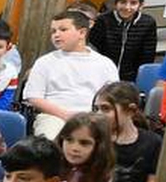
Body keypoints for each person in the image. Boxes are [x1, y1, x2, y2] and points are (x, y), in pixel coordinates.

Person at [21, 8, 117, 138]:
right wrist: (65, 115)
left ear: (82, 33)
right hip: (53, 116)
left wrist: (92, 116)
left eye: (63, 29)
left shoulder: (105, 63)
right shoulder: (44, 62)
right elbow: (34, 97)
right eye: (53, 31)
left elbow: (113, 98)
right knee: (50, 141)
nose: (56, 34)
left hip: (93, 117)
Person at [95, 82, 160, 182]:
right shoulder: (95, 138)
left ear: (131, 110)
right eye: (97, 109)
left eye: (105, 109)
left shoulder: (152, 142)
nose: (98, 115)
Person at [89, 0, 158, 80]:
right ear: (116, 3)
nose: (127, 7)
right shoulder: (103, 20)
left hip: (130, 78)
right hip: (101, 75)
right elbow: (94, 50)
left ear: (141, 5)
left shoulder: (148, 23)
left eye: (133, 3)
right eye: (123, 2)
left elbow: (147, 56)